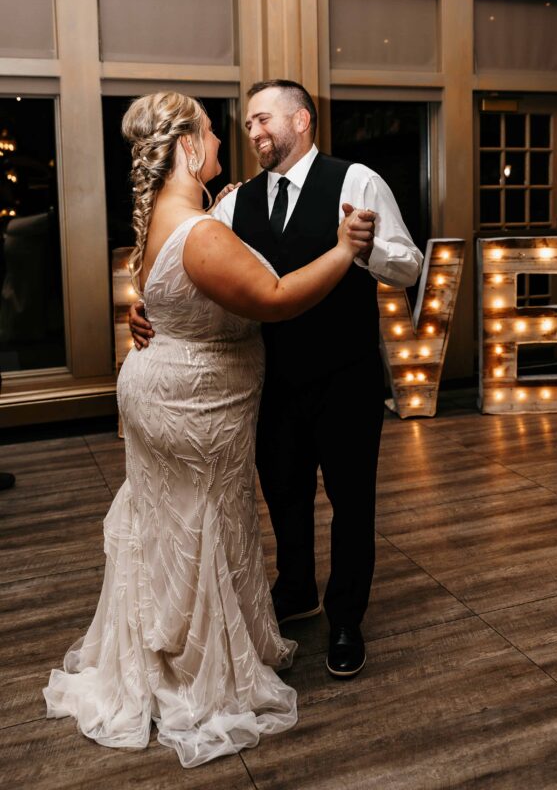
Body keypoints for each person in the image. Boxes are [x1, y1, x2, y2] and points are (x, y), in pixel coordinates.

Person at [44, 91, 374, 768]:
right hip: (195, 406)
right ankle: (195, 670)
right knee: (205, 525)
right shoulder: (202, 231)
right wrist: (343, 250)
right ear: (187, 148)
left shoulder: (160, 220)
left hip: (162, 389)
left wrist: (145, 312)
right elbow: (275, 299)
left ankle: (164, 645)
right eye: (214, 135)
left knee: (170, 524)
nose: (227, 143)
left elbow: (162, 291)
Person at [131, 80, 422, 679]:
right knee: (283, 495)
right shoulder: (235, 203)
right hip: (269, 381)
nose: (255, 134)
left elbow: (409, 264)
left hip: (346, 375)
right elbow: (185, 265)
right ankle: (295, 590)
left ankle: (345, 618)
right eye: (247, 126)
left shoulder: (356, 181)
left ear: (303, 121)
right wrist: (149, 309)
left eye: (265, 121)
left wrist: (365, 252)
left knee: (351, 501)